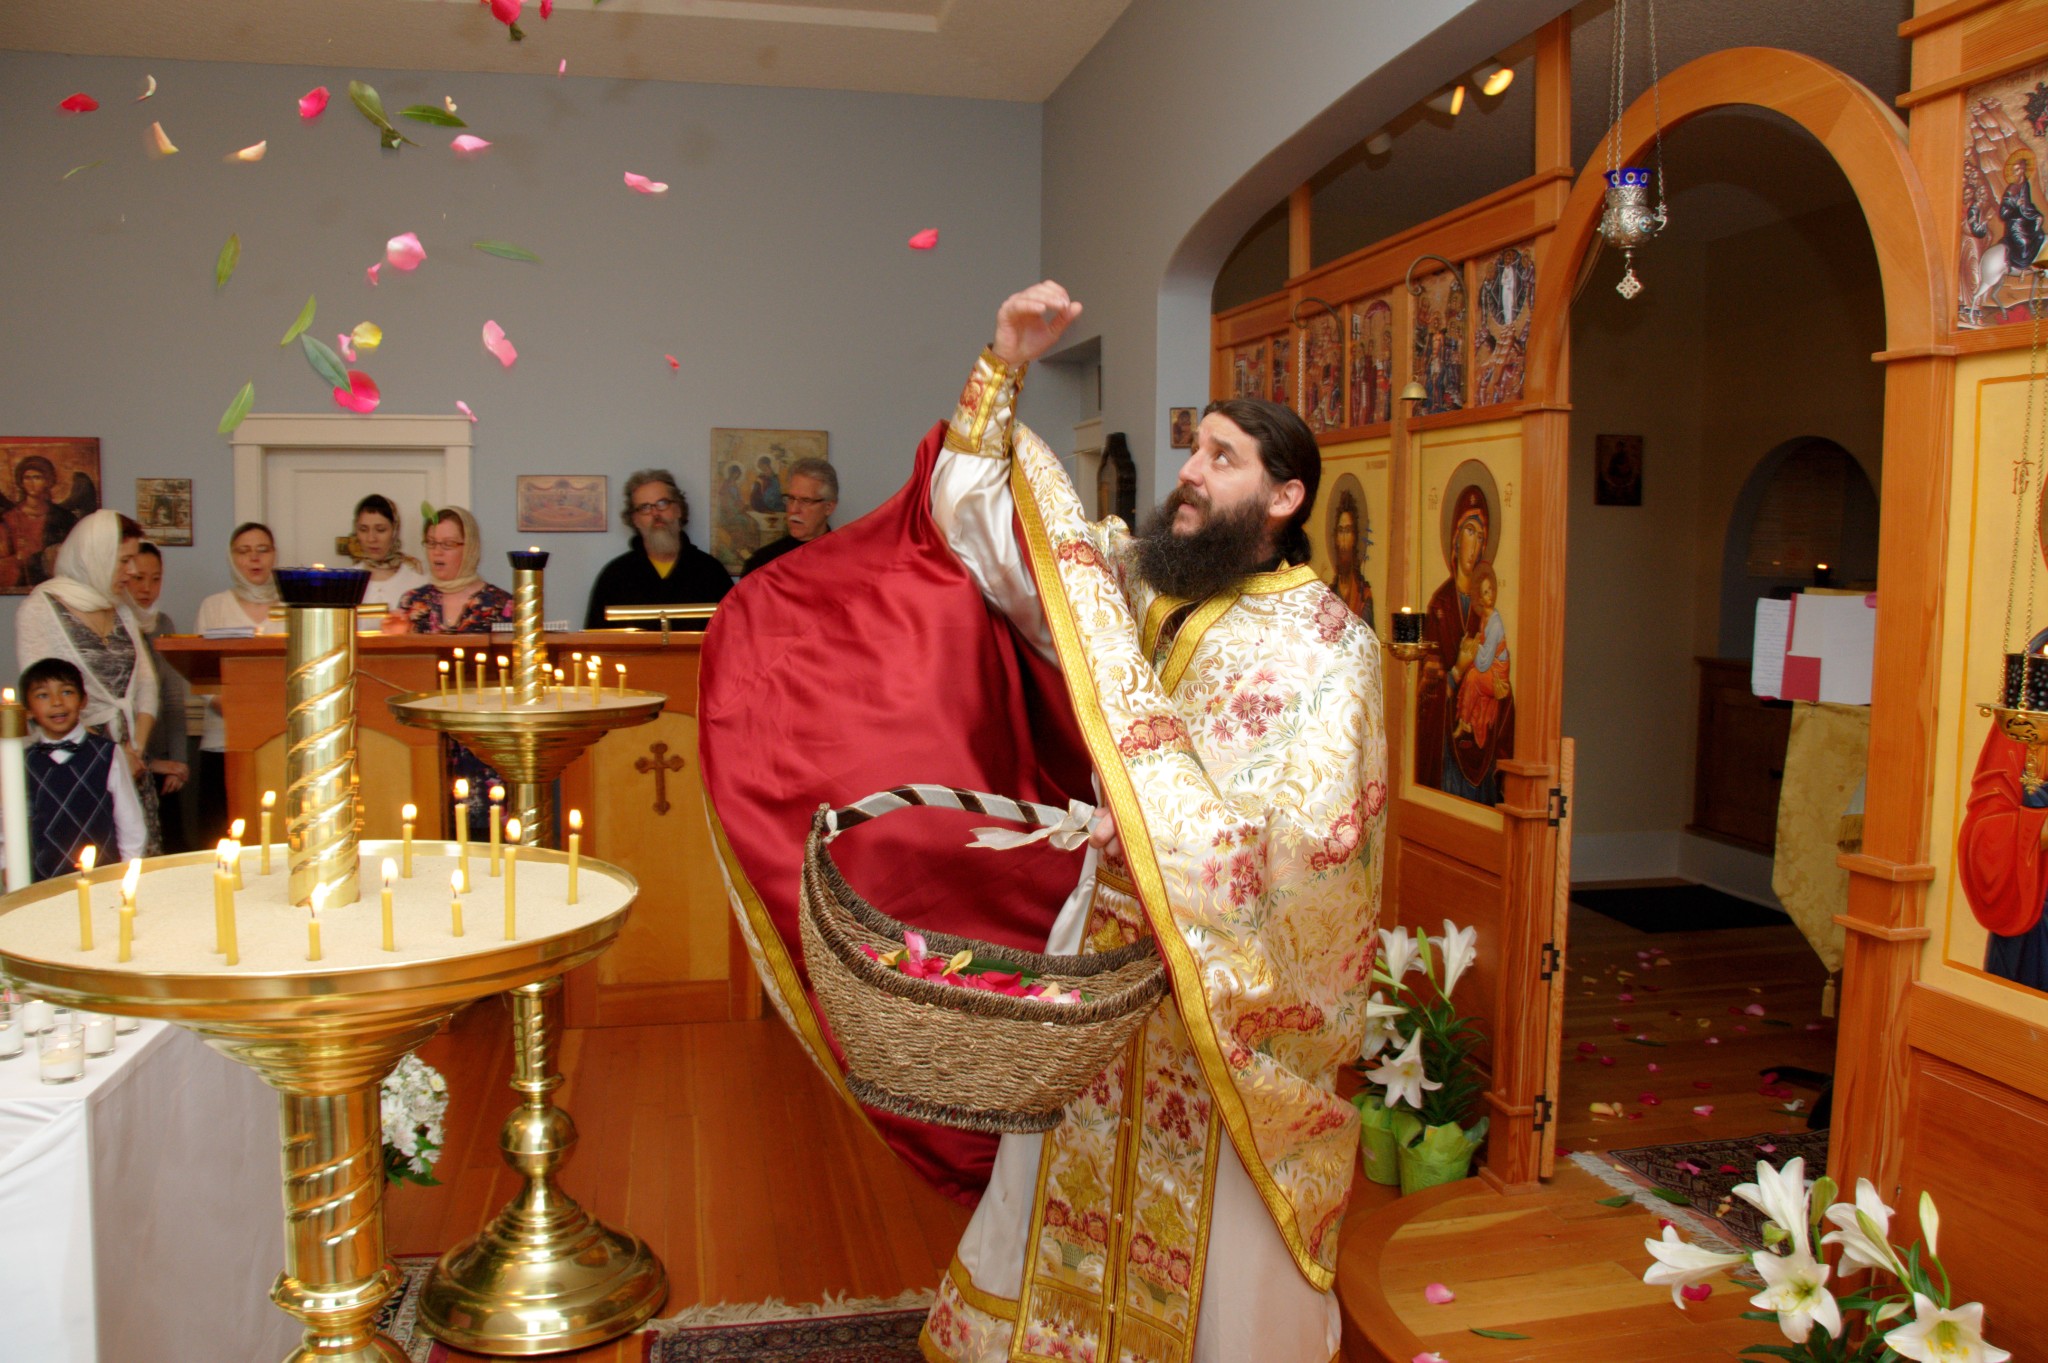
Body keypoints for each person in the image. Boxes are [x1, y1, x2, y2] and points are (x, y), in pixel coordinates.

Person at [700, 281, 1385, 1363]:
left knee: (1220, 1224)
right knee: (1059, 1162)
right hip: (1105, 943)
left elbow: (1320, 836)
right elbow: (984, 532)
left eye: (1222, 457)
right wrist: (1004, 362)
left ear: (1284, 496)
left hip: (1223, 988)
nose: (1191, 472)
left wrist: (1160, 839)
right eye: (1194, 450)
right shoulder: (1145, 588)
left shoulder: (1332, 644)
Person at [14, 510, 162, 854]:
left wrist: (134, 750)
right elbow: (44, 693)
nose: (132, 571)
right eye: (123, 561)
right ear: (95, 556)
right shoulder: (40, 608)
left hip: (130, 762)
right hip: (76, 762)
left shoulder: (121, 609)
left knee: (136, 857)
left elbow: (146, 685)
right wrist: (108, 754)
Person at [1415, 485, 1513, 804]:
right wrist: (1457, 669)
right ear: (1456, 537)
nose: (1475, 544)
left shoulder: (1488, 610)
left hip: (1482, 747)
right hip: (1448, 751)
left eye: (1481, 536)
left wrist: (1500, 688)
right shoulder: (1440, 606)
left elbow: (1502, 678)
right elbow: (1425, 696)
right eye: (1470, 531)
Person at [194, 522, 287, 845]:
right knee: (222, 835)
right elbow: (204, 676)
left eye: (262, 550)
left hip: (280, 739)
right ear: (232, 558)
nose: (254, 559)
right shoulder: (214, 606)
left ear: (274, 555)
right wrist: (244, 713)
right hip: (224, 741)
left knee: (273, 833)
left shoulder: (292, 605)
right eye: (244, 551)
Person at [18, 657, 146, 881]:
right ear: (28, 710)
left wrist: (127, 873)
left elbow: (130, 821)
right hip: (43, 880)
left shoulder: (107, 753)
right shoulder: (23, 761)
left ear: (83, 700)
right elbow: (10, 821)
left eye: (67, 692)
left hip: (103, 876)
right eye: (43, 695)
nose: (57, 702)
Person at [582, 471, 732, 628]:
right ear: (635, 519)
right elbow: (594, 637)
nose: (655, 513)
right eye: (645, 507)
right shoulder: (615, 576)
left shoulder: (711, 571)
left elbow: (733, 633)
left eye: (662, 503)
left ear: (678, 509)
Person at [127, 542, 193, 851]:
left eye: (155, 579)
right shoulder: (116, 626)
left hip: (165, 760)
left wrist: (178, 761)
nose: (146, 588)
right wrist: (152, 763)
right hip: (131, 760)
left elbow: (172, 697)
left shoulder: (163, 624)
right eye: (138, 578)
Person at [384, 507, 515, 635]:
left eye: (448, 544)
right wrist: (395, 636)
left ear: (470, 548)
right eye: (431, 543)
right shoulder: (411, 601)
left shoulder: (501, 604)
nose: (437, 552)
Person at [741, 457, 838, 575]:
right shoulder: (761, 564)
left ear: (829, 507)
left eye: (806, 500)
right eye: (791, 498)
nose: (793, 509)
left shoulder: (848, 561)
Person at [3, 455, 81, 589]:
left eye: (37, 477)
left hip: (55, 584)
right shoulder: (9, 518)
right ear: (21, 482)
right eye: (27, 478)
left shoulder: (64, 518)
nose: (31, 483)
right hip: (21, 580)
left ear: (48, 481)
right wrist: (17, 558)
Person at [1453, 562, 1509, 747]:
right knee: (1469, 671)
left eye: (1491, 590)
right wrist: (1471, 644)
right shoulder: (1485, 617)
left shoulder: (1495, 623)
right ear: (1479, 597)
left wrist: (1473, 647)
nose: (1490, 595)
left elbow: (1484, 662)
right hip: (1490, 666)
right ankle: (1465, 721)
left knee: (1472, 677)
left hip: (1497, 674)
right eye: (1485, 592)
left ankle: (1465, 721)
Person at [348, 494, 429, 609]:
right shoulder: (347, 581)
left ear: (394, 530)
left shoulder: (416, 580)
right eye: (363, 530)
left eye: (380, 530)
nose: (371, 538)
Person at [1326, 488, 1374, 628]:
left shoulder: (1363, 596)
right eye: (1340, 531)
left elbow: (1367, 635)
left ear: (1355, 537)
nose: (1343, 539)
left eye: (1348, 531)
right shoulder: (1330, 593)